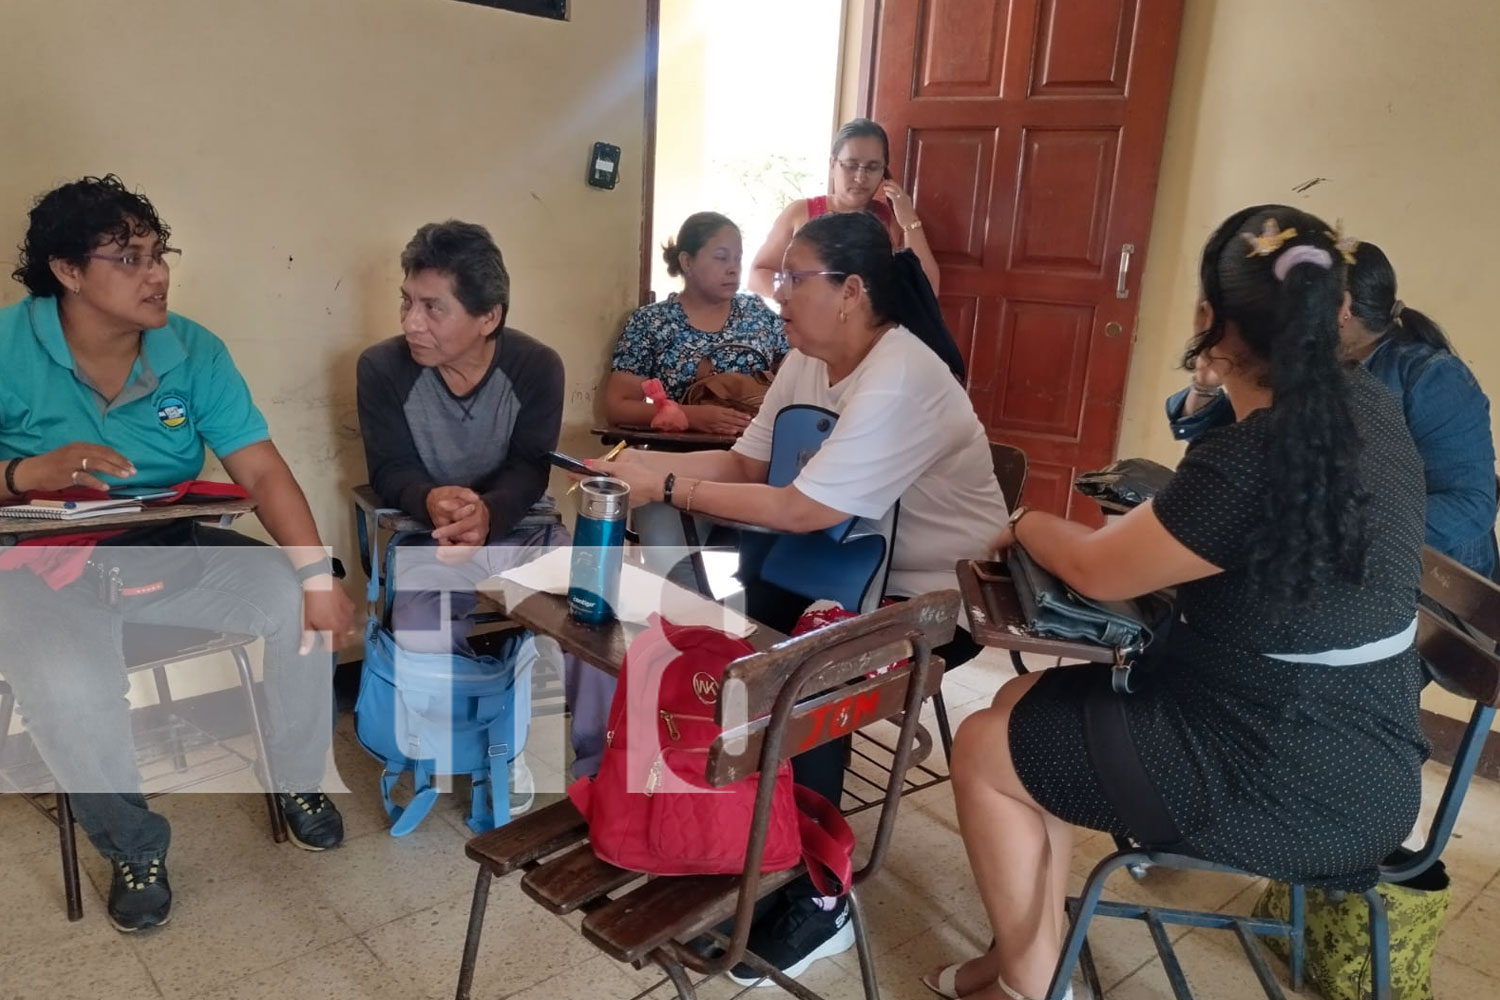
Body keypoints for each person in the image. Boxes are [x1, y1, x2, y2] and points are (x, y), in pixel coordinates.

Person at [927, 206, 1428, 1000]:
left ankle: (1024, 984)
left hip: (1283, 768)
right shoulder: (1365, 407)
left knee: (985, 755)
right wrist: (1218, 376)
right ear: (1334, 311)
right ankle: (1028, 951)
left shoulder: (1247, 460)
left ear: (1209, 320)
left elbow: (1095, 570)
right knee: (1020, 701)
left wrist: (1026, 522)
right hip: (1358, 743)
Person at [595, 210, 1005, 985]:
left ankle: (821, 901)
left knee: (803, 678)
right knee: (724, 654)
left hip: (937, 599)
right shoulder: (808, 357)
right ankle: (751, 844)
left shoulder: (904, 375)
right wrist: (642, 462)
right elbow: (752, 469)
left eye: (793, 278)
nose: (776, 292)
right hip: (835, 571)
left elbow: (804, 506)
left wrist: (670, 485)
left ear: (852, 291)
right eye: (777, 275)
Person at [0, 175, 357, 932]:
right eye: (128, 257)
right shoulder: (8, 347)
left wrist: (316, 573)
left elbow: (258, 468)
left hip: (165, 550)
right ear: (66, 271)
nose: (156, 273)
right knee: (66, 684)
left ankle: (296, 779)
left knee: (302, 598)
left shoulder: (192, 350)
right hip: (41, 566)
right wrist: (21, 475)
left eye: (160, 254)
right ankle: (133, 845)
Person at [355, 220, 616, 788]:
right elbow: (389, 468)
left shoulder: (535, 367)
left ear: (488, 316)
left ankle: (599, 774)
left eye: (432, 308)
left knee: (595, 613)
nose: (410, 322)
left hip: (521, 529)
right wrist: (430, 498)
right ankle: (478, 752)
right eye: (407, 302)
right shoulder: (380, 369)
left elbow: (529, 467)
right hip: (430, 538)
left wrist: (490, 514)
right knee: (420, 624)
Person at [1167, 232, 1496, 578]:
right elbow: (1228, 445)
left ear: (1343, 308)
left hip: (1431, 579)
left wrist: (1329, 534)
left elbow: (1471, 505)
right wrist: (1205, 386)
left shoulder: (1432, 377)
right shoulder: (1309, 360)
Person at [605, 212, 788, 435]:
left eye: (738, 258)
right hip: (679, 452)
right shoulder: (651, 322)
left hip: (757, 451)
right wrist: (688, 415)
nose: (733, 268)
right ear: (687, 262)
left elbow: (796, 372)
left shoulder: (757, 312)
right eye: (721, 257)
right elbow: (618, 407)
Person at [749, 118, 940, 297]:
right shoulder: (800, 214)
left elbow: (928, 288)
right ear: (833, 165)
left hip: (872, 332)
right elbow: (757, 275)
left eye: (872, 167)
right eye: (850, 165)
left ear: (884, 172)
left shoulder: (891, 221)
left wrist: (910, 222)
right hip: (807, 329)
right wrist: (797, 294)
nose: (860, 177)